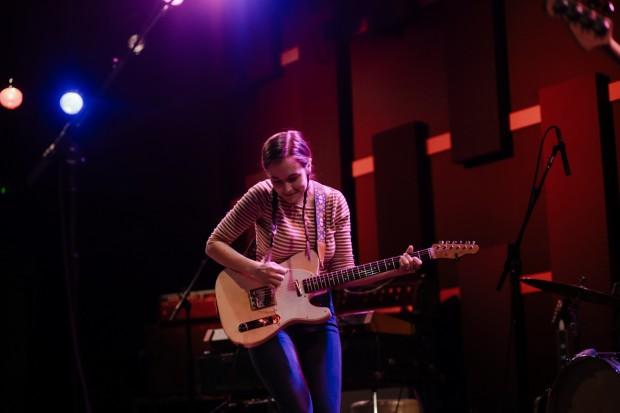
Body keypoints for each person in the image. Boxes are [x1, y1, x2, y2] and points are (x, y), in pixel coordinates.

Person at [206, 130, 422, 413]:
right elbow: (214, 244)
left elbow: (348, 275)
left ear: (308, 164)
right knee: (299, 407)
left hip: (318, 312)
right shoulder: (260, 196)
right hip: (266, 313)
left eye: (293, 178)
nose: (285, 188)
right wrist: (255, 269)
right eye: (277, 181)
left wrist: (395, 269)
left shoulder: (333, 202)